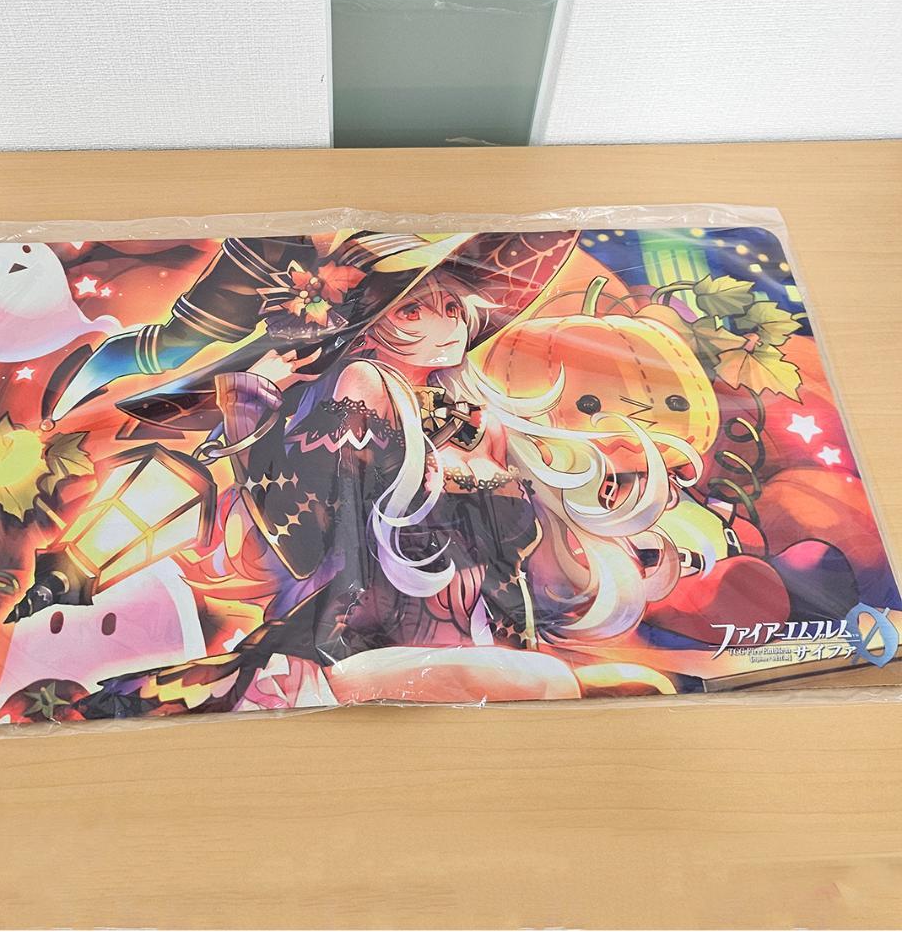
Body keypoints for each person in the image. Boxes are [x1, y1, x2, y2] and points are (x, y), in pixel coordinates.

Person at [76, 249, 702, 719]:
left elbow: (528, 565)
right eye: (412, 309)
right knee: (555, 685)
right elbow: (302, 535)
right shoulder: (363, 389)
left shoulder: (481, 419)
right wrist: (253, 400)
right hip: (354, 655)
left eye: (452, 307)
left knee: (557, 684)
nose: (447, 324)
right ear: (366, 326)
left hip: (485, 652)